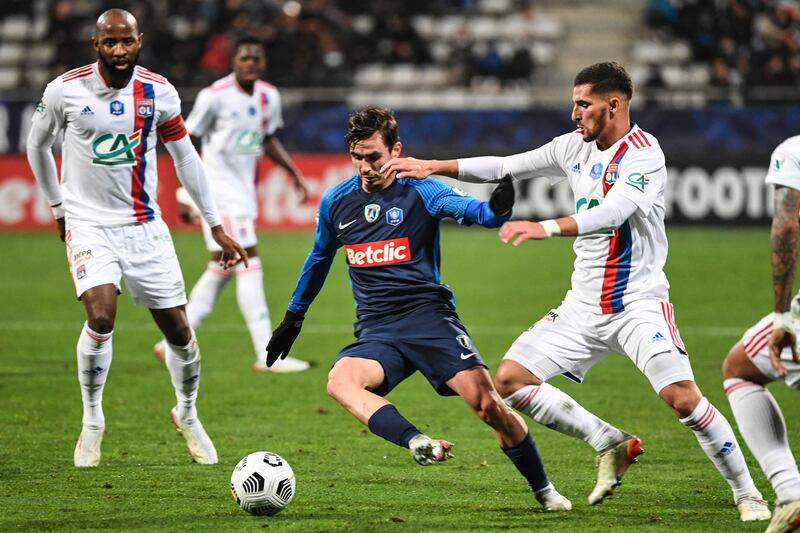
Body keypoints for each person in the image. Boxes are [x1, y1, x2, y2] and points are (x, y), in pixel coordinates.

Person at [382, 62, 770, 521]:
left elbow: (614, 211)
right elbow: (506, 166)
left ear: (614, 105)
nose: (573, 114)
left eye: (582, 104)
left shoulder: (645, 154)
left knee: (683, 398)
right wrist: (433, 166)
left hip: (637, 303)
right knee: (510, 379)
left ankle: (748, 494)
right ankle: (609, 440)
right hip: (581, 306)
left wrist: (545, 227)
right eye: (573, 103)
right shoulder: (573, 147)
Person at [265, 106, 571, 512]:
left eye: (374, 156)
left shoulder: (421, 191)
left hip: (429, 320)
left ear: (396, 150)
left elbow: (476, 213)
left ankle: (545, 490)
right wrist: (294, 316)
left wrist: (498, 209)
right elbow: (319, 259)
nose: (365, 167)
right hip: (377, 331)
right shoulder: (338, 201)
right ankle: (417, 441)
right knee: (341, 381)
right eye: (357, 157)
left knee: (487, 405)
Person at [25, 9, 247, 467]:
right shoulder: (64, 90)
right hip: (89, 225)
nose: (120, 51)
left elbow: (186, 158)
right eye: (111, 43)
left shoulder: (158, 92)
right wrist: (59, 209)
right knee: (102, 317)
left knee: (180, 333)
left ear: (139, 41)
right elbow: (37, 145)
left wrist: (215, 224)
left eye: (127, 42)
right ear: (96, 44)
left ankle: (186, 412)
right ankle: (92, 420)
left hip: (145, 228)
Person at [153, 36, 310, 373]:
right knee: (249, 262)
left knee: (221, 268)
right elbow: (184, 140)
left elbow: (266, 139)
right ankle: (267, 354)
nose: (250, 62)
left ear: (263, 62)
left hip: (244, 195)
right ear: (234, 62)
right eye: (244, 57)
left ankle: (171, 344)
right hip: (218, 194)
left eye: (256, 57)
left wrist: (293, 172)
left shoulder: (270, 96)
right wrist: (185, 192)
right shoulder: (215, 97)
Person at [722, 135, 800, 533]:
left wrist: (782, 316)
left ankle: (790, 494)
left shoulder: (794, 151)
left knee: (740, 370)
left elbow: (787, 225)